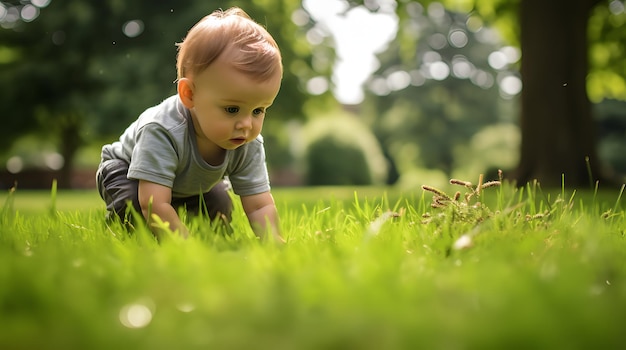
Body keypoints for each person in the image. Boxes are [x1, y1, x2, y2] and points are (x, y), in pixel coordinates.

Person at [96, 7, 284, 243]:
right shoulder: (162, 130)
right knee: (133, 207)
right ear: (189, 94)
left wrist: (274, 242)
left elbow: (259, 205)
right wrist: (186, 249)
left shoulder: (248, 143)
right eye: (232, 109)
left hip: (187, 183)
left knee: (219, 205)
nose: (246, 125)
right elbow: (153, 204)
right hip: (126, 172)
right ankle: (123, 232)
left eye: (258, 110)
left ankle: (212, 240)